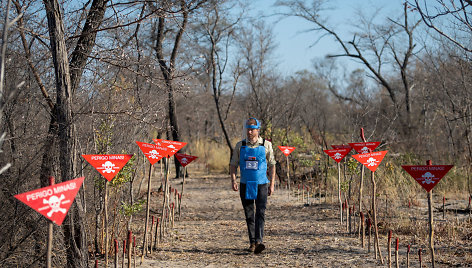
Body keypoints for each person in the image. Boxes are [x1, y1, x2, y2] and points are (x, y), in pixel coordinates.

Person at [230, 117, 276, 254]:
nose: (249, 132)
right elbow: (233, 164)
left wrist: (272, 184)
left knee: (260, 213)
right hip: (245, 184)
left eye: (252, 129)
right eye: (248, 129)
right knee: (249, 214)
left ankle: (259, 241)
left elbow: (272, 164)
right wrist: (233, 180)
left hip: (262, 184)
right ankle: (252, 242)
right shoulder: (240, 145)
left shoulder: (266, 145)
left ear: (258, 130)